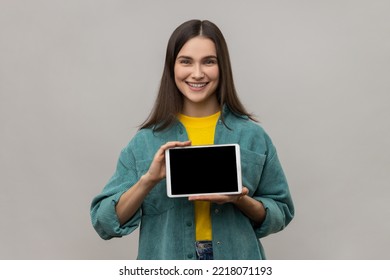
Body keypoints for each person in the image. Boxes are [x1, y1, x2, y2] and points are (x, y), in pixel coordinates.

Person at [90, 19, 294, 260]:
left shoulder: (253, 137)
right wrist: (148, 180)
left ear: (222, 67)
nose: (197, 73)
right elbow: (103, 222)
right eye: (186, 61)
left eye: (209, 61)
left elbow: (281, 212)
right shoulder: (145, 142)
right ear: (172, 67)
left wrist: (241, 200)